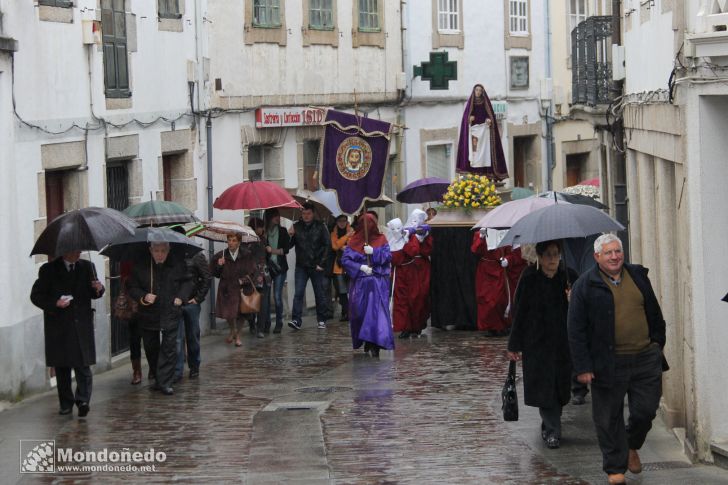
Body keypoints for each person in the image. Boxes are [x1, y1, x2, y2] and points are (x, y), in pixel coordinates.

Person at [568, 234, 668, 485]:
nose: (614, 256)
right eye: (608, 253)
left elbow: (654, 312)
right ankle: (615, 467)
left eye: (617, 251)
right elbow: (575, 329)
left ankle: (632, 444)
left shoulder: (638, 276)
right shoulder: (585, 285)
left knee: (646, 410)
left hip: (645, 357)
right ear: (597, 257)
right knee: (607, 416)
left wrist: (657, 343)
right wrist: (583, 367)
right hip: (607, 362)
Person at [507, 240, 577, 449]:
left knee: (560, 387)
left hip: (563, 343)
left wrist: (572, 299)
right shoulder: (529, 278)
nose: (552, 260)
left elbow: (584, 307)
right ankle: (551, 428)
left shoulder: (569, 277)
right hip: (537, 344)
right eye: (548, 255)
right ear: (539, 256)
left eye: (556, 255)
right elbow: (519, 313)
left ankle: (551, 423)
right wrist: (514, 345)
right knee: (545, 387)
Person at [30, 251, 105, 416]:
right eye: (73, 250)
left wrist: (99, 289)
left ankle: (83, 400)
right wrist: (55, 303)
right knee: (62, 366)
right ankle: (66, 403)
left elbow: (95, 293)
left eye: (79, 250)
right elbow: (36, 296)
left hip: (82, 324)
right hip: (59, 325)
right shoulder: (48, 270)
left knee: (83, 365)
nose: (77, 253)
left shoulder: (87, 267)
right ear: (64, 251)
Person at [127, 242, 192, 396]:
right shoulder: (141, 266)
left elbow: (188, 282)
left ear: (169, 250)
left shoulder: (177, 264)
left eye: (163, 251)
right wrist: (144, 296)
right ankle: (158, 378)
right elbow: (132, 287)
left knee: (169, 347)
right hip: (149, 314)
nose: (160, 254)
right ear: (150, 250)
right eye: (156, 251)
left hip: (170, 311)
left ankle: (165, 382)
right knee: (151, 347)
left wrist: (181, 297)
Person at [341, 213, 394, 357]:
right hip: (360, 283)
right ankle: (365, 339)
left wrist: (374, 252)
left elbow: (388, 256)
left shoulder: (381, 239)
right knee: (360, 312)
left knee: (376, 313)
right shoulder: (354, 241)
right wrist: (361, 268)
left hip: (377, 282)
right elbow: (345, 260)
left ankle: (375, 342)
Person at [471, 227, 527, 336]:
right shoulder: (480, 233)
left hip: (502, 270)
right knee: (486, 299)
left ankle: (502, 325)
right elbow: (476, 249)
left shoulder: (511, 233)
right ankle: (489, 326)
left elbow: (518, 252)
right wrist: (482, 237)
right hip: (486, 270)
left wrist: (508, 260)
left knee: (501, 299)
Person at [174, 232, 211, 382]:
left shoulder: (196, 255)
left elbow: (206, 278)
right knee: (177, 339)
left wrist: (198, 298)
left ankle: (194, 365)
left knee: (192, 337)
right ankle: (177, 371)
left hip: (191, 303)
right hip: (176, 303)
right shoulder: (172, 256)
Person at [288, 203, 331, 330]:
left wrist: (321, 264)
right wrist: (290, 235)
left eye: (308, 213)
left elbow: (327, 245)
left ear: (313, 213)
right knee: (299, 293)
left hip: (316, 265)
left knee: (319, 293)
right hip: (301, 265)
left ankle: (322, 320)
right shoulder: (296, 226)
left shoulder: (320, 226)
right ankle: (296, 320)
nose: (306, 216)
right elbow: (289, 246)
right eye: (303, 214)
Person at [391, 209, 432, 339]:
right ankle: (406, 327)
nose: (415, 222)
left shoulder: (425, 233)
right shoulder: (405, 233)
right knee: (404, 299)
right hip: (407, 268)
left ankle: (417, 325)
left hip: (421, 268)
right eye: (413, 219)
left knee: (420, 297)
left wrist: (423, 238)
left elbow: (427, 250)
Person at [456, 84, 508, 179]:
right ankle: (473, 173)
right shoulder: (470, 103)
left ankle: (485, 173)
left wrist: (489, 120)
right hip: (474, 132)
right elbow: (465, 120)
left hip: (484, 132)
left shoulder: (485, 103)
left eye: (480, 90)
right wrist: (469, 119)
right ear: (474, 91)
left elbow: (490, 115)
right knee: (475, 152)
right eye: (477, 90)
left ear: (482, 92)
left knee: (484, 152)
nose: (478, 92)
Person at [212, 233, 255, 347]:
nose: (231, 243)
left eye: (234, 240)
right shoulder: (221, 255)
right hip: (227, 288)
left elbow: (252, 272)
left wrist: (243, 280)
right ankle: (232, 330)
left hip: (241, 288)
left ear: (239, 242)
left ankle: (238, 335)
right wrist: (219, 265)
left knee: (241, 313)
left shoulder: (247, 255)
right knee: (229, 313)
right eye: (229, 240)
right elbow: (215, 273)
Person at [264, 208, 291, 333]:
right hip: (268, 268)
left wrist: (273, 251)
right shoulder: (264, 233)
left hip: (280, 268)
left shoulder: (283, 231)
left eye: (278, 216)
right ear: (269, 217)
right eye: (275, 216)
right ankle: (267, 322)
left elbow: (286, 249)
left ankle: (279, 322)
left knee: (277, 296)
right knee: (266, 296)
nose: (278, 218)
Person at [247, 217, 271, 338]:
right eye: (260, 227)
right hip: (253, 275)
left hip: (264, 275)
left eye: (262, 227)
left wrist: (269, 249)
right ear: (255, 228)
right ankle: (252, 324)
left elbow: (267, 256)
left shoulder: (264, 239)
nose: (262, 229)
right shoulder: (247, 241)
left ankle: (260, 327)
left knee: (263, 303)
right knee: (252, 302)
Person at [331, 214, 354, 322]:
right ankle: (346, 313)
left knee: (352, 289)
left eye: (344, 220)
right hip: (339, 266)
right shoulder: (333, 233)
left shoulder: (352, 231)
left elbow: (353, 245)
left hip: (351, 265)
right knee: (342, 291)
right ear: (336, 222)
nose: (342, 223)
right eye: (339, 221)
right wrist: (346, 237)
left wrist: (344, 245)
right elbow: (335, 246)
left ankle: (352, 311)